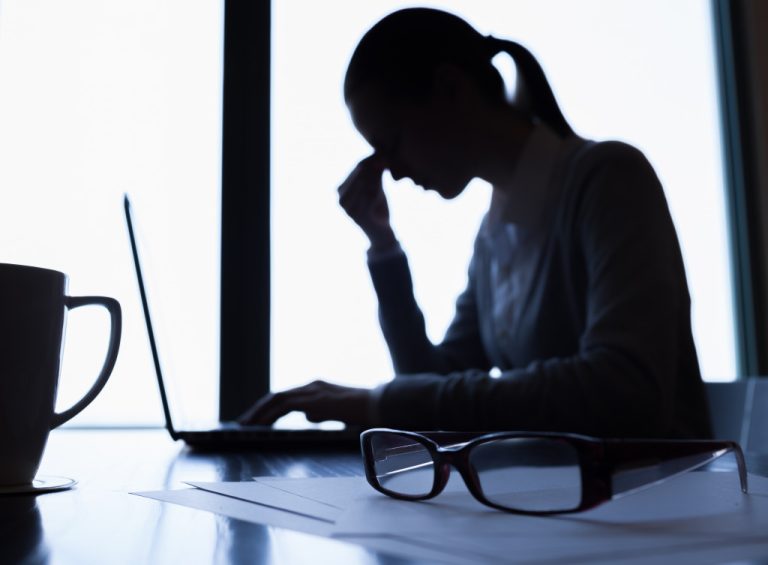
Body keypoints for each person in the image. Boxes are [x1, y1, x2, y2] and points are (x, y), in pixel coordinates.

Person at [239, 7, 712, 438]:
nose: (392, 171)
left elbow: (623, 388)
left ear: (450, 89)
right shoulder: (494, 233)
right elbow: (433, 383)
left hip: (656, 506)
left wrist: (379, 403)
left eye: (392, 143)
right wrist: (382, 245)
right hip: (564, 505)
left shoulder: (608, 177)